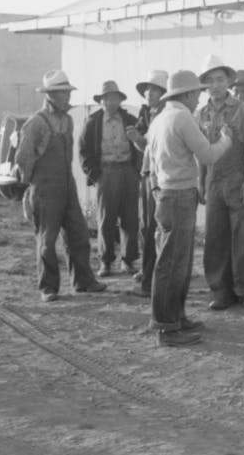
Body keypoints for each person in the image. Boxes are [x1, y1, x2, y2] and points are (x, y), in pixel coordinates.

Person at [145, 69, 233, 347]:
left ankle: (174, 318)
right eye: (197, 92)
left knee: (175, 261)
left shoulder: (161, 118)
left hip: (166, 194)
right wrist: (227, 139)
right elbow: (207, 154)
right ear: (186, 94)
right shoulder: (182, 117)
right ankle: (167, 326)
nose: (199, 97)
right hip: (179, 194)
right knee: (173, 263)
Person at [13, 70, 107, 302]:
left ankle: (83, 281)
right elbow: (23, 158)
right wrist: (30, 187)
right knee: (47, 240)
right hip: (45, 190)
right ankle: (48, 287)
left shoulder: (67, 120)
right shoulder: (35, 124)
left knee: (79, 234)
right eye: (63, 93)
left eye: (67, 92)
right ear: (50, 96)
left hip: (67, 186)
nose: (67, 97)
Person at [196, 54, 244, 310]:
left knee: (243, 237)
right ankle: (220, 291)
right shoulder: (201, 113)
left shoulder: (242, 109)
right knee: (215, 237)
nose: (215, 85)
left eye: (220, 80)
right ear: (205, 86)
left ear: (228, 82)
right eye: (210, 81)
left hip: (238, 178)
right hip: (213, 180)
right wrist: (201, 182)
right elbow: (201, 151)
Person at [79, 80, 142, 277]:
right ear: (101, 101)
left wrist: (137, 171)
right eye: (106, 98)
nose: (110, 102)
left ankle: (129, 260)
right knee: (106, 219)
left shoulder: (130, 119)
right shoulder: (92, 122)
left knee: (130, 218)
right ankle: (105, 262)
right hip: (106, 172)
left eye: (114, 98)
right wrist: (96, 175)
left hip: (128, 171)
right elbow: (84, 152)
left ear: (120, 100)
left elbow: (141, 145)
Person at [127, 69, 168, 298]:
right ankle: (148, 271)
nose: (148, 93)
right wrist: (138, 141)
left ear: (163, 93)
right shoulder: (147, 113)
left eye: (153, 89)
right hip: (147, 173)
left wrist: (139, 141)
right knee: (146, 226)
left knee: (155, 226)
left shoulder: (166, 115)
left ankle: (152, 279)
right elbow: (146, 147)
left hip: (159, 176)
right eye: (147, 90)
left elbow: (155, 147)